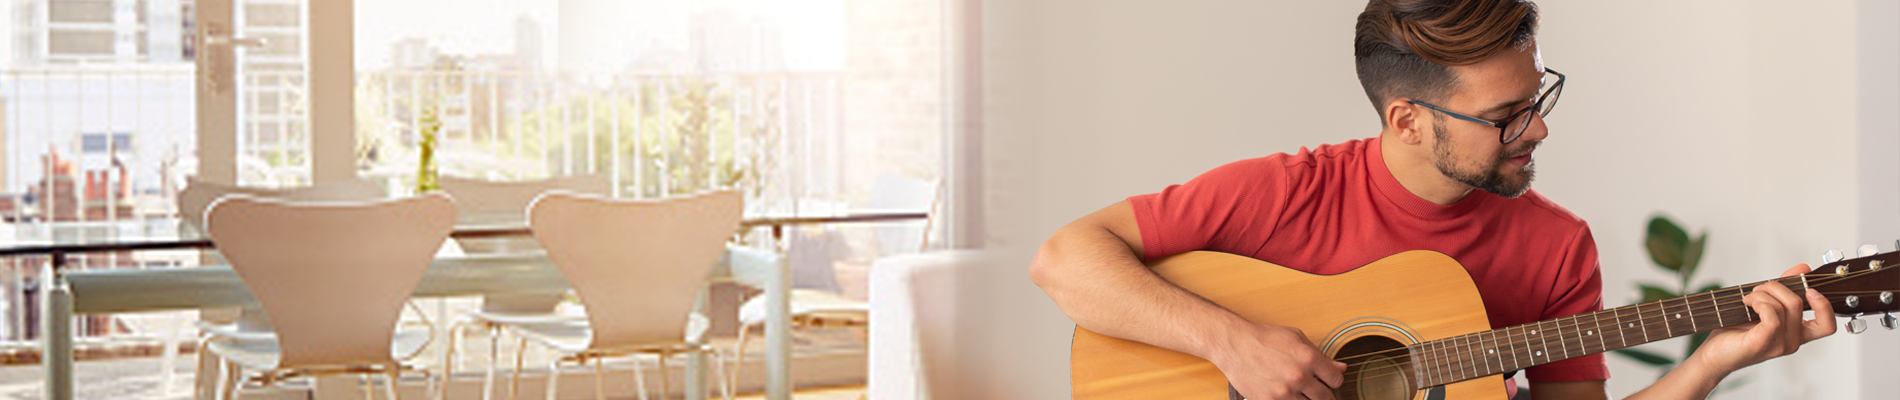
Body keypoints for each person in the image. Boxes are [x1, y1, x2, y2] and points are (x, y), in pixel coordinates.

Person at [1028, 1, 1838, 399]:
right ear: (1406, 119)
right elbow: (1063, 259)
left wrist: (1710, 362)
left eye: (1537, 98)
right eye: (1503, 118)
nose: (1538, 132)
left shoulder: (1555, 247)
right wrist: (1229, 340)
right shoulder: (1286, 191)